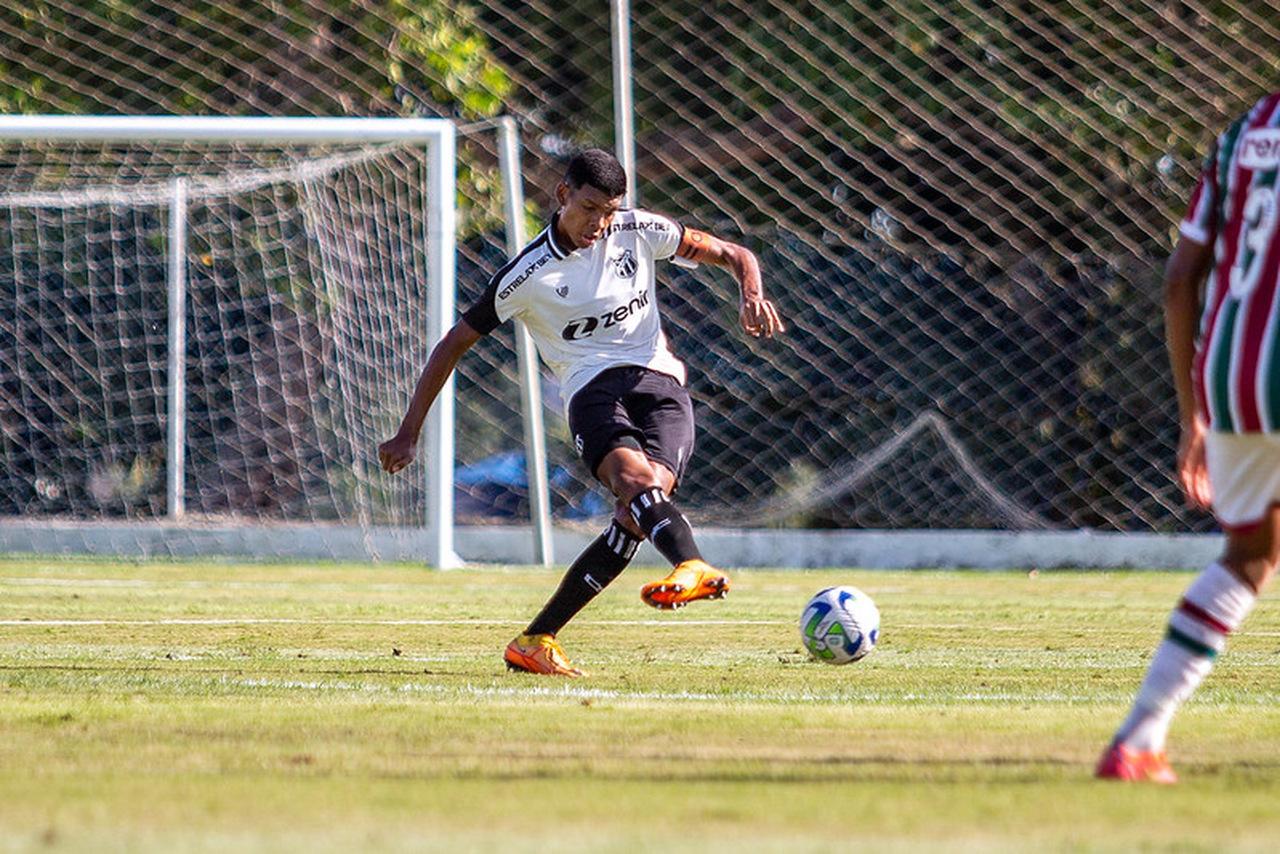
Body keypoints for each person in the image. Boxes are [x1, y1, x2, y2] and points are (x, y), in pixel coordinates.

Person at [378, 148, 785, 676]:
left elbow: (735, 253)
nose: (601, 222)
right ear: (563, 195)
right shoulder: (527, 275)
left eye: (610, 210)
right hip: (592, 391)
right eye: (590, 207)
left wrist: (750, 293)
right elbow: (453, 343)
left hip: (661, 383)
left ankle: (536, 639)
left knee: (639, 513)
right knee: (636, 484)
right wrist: (410, 431)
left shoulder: (638, 230)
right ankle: (692, 564)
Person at [1097, 91, 1280, 783]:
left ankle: (1139, 740)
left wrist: (1193, 411)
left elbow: (1179, 281)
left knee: (1251, 554)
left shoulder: (1246, 134)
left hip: (1234, 378)